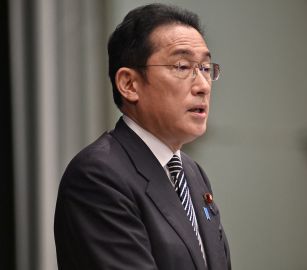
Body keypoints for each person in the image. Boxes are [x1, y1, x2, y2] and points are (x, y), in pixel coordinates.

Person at [54, 3, 231, 270]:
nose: (203, 86)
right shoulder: (98, 175)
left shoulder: (192, 173)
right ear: (129, 84)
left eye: (206, 68)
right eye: (183, 66)